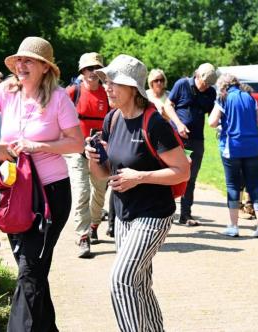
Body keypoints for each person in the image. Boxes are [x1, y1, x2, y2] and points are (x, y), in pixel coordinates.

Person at [0, 36, 83, 331]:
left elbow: (76, 143)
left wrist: (37, 145)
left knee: (29, 271)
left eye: (29, 61)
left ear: (45, 68)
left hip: (50, 194)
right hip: (13, 192)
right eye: (19, 60)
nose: (21, 66)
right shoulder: (6, 91)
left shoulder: (59, 98)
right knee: (33, 271)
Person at [86, 54, 190, 331]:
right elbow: (105, 174)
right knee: (139, 281)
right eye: (105, 81)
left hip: (154, 215)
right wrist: (93, 160)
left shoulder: (155, 123)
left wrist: (140, 177)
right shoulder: (112, 119)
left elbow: (182, 171)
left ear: (133, 88)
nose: (106, 86)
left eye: (113, 82)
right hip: (123, 214)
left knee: (121, 279)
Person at [208, 73, 258, 238]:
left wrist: (223, 122)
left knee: (233, 185)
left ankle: (233, 226)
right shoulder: (249, 97)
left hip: (232, 147)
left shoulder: (224, 98)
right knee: (254, 185)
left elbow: (212, 122)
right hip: (253, 146)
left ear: (223, 86)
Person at [66, 52, 109, 258]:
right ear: (82, 71)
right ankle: (83, 237)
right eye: (89, 68)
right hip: (77, 150)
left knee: (99, 193)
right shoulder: (72, 92)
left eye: (97, 69)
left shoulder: (109, 93)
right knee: (82, 192)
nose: (93, 73)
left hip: (101, 151)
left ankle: (93, 225)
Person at [163, 63, 217, 226]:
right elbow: (168, 105)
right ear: (197, 75)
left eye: (209, 84)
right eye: (204, 82)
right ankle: (165, 212)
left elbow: (213, 115)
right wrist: (179, 124)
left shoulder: (210, 92)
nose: (205, 86)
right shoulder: (182, 84)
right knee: (170, 175)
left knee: (190, 177)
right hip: (177, 140)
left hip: (197, 140)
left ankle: (185, 215)